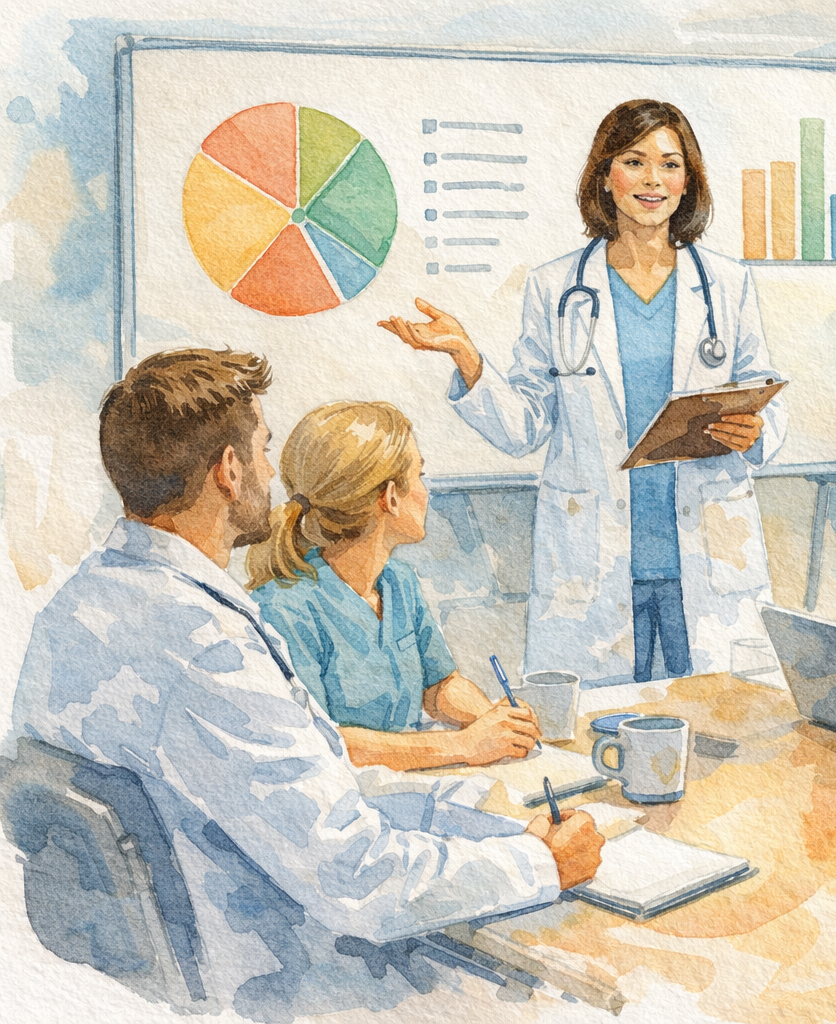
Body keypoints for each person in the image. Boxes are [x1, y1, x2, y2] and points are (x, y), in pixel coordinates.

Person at [7, 349, 605, 1017]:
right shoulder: (207, 647)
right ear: (229, 471)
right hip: (280, 978)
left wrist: (469, 818)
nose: (271, 471)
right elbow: (357, 879)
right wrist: (540, 866)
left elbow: (310, 782)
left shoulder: (80, 605)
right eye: (262, 449)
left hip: (140, 982)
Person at [378, 98, 787, 686]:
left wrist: (757, 430)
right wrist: (468, 357)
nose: (653, 180)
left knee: (722, 725)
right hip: (595, 563)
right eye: (634, 160)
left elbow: (763, 392)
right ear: (604, 175)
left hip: (708, 556)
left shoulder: (725, 283)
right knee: (602, 730)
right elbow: (525, 427)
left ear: (689, 181)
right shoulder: (556, 288)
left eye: (671, 165)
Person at [247, 401, 541, 771]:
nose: (426, 489)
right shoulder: (284, 608)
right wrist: (464, 744)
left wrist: (493, 720)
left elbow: (438, 688)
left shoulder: (398, 583)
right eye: (419, 475)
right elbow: (322, 740)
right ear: (390, 497)